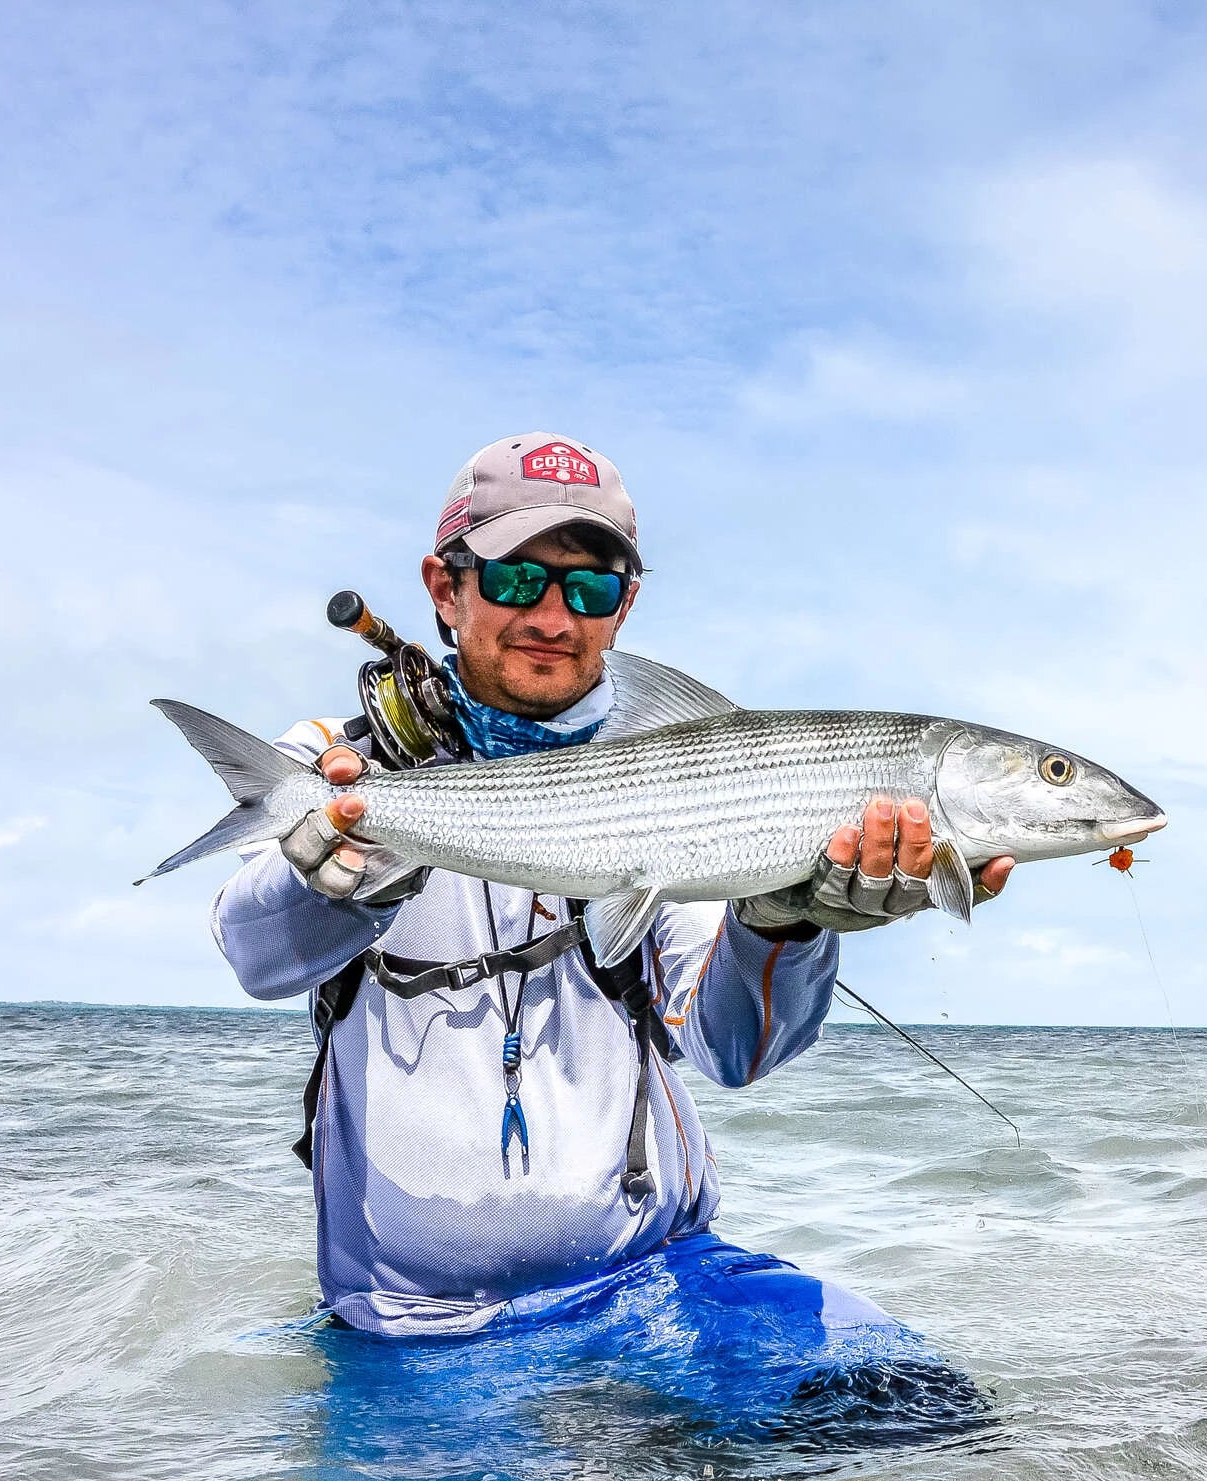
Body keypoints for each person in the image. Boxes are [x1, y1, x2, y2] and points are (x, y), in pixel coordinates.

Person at [211, 433, 1014, 1384]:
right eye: (517, 579)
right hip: (407, 1328)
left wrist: (782, 924)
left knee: (927, 1417)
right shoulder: (332, 759)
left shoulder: (687, 779)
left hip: (657, 1286)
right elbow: (253, 952)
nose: (553, 615)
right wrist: (336, 870)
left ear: (623, 608)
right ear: (444, 586)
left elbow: (734, 1053)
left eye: (589, 590)